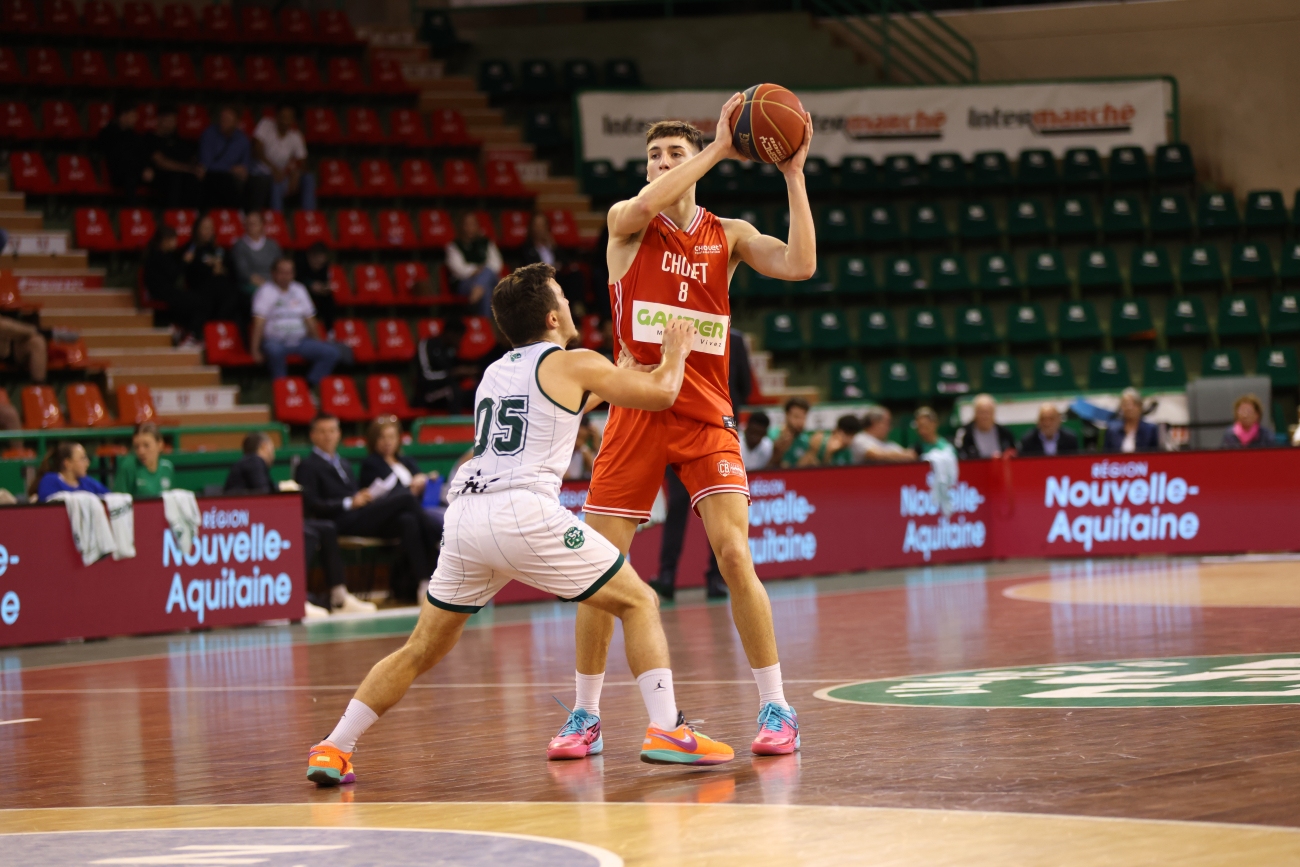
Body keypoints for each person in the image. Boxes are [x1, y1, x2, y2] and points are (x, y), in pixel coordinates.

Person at [305, 263, 735, 787]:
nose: (573, 306)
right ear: (553, 317)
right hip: (522, 512)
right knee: (638, 601)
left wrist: (624, 375)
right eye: (565, 300)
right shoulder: (574, 361)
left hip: (465, 517)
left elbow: (574, 398)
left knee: (421, 648)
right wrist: (676, 350)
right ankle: (668, 729)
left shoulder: (496, 372)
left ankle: (333, 747)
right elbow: (665, 393)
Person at [569, 96, 816, 760]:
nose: (661, 163)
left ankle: (776, 705)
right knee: (601, 568)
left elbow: (800, 265)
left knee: (735, 555)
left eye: (673, 154)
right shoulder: (628, 223)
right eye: (654, 155)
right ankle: (584, 716)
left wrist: (791, 173)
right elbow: (646, 205)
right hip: (639, 404)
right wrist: (717, 146)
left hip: (705, 409)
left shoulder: (727, 234)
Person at [295, 414, 439, 604]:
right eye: (322, 432)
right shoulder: (307, 466)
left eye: (331, 431)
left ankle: (424, 584)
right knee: (405, 497)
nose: (327, 436)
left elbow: (354, 493)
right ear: (312, 435)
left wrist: (362, 496)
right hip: (340, 521)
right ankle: (441, 534)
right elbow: (312, 504)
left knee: (408, 521)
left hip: (360, 514)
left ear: (338, 434)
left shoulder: (343, 463)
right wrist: (348, 502)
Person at [224, 432, 370, 617]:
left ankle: (339, 596)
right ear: (264, 447)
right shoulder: (255, 461)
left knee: (327, 528)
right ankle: (296, 597)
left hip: (255, 523)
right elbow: (262, 496)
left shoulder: (248, 464)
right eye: (271, 449)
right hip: (249, 528)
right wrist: (283, 491)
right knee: (306, 534)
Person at [357, 416, 444, 580]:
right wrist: (410, 488)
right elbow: (381, 496)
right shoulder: (371, 464)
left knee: (410, 520)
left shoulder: (407, 461)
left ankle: (427, 582)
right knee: (410, 519)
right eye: (382, 437)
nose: (387, 442)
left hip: (417, 511)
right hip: (387, 518)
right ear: (373, 440)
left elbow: (419, 483)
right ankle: (437, 538)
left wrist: (425, 481)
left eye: (391, 437)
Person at [250, 257, 340, 386]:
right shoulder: (265, 291)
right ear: (274, 273)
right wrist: (255, 350)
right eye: (282, 272)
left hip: (300, 341)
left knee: (331, 352)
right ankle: (281, 387)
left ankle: (309, 385)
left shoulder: (299, 289)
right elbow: (258, 323)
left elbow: (310, 320)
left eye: (289, 272)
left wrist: (318, 341)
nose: (286, 276)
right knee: (274, 351)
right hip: (275, 341)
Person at [142, 227, 203, 347]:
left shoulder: (167, 255)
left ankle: (185, 332)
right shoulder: (156, 256)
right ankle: (188, 336)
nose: (176, 243)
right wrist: (184, 262)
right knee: (196, 302)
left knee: (196, 299)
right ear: (165, 241)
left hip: (169, 292)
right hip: (161, 293)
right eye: (173, 240)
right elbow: (173, 275)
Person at [253, 103, 316, 214]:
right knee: (277, 180)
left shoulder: (295, 136)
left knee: (308, 178)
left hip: (281, 174)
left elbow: (303, 162)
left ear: (293, 120)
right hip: (261, 171)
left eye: (288, 118)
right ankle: (278, 219)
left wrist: (295, 172)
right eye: (282, 117)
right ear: (276, 116)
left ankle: (309, 217)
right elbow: (257, 151)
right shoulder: (266, 124)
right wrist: (274, 169)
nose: (284, 121)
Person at [182, 215, 241, 324]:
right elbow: (189, 273)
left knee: (235, 295)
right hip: (201, 288)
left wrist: (221, 269)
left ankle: (219, 327)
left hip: (222, 288)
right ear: (197, 230)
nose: (208, 231)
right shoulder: (190, 249)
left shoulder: (218, 249)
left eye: (210, 228)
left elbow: (231, 271)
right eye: (205, 228)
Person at [444, 212, 503, 317]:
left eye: (473, 224)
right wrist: (478, 270)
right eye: (467, 224)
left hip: (482, 284)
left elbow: (497, 264)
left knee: (487, 277)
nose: (470, 228)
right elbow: (459, 269)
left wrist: (482, 274)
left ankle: (478, 288)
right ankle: (487, 325)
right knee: (487, 287)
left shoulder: (486, 243)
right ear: (461, 227)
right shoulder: (453, 246)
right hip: (465, 283)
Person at [94, 101, 153, 202]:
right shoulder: (108, 133)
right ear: (123, 115)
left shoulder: (132, 134)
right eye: (133, 115)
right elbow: (119, 158)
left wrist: (146, 168)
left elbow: (142, 154)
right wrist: (140, 169)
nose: (136, 119)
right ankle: (132, 212)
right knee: (130, 176)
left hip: (137, 172)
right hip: (117, 173)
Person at [147, 104, 202, 208]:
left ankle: (192, 215)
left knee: (193, 179)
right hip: (159, 177)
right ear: (160, 119)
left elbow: (191, 157)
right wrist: (189, 169)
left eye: (174, 120)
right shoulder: (150, 138)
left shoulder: (177, 139)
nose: (172, 124)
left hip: (182, 176)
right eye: (169, 120)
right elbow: (161, 163)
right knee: (175, 178)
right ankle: (173, 214)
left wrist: (197, 167)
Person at [198, 105, 252, 209]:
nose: (223, 122)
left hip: (233, 179)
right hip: (212, 176)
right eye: (222, 119)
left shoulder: (243, 139)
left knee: (252, 182)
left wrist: (243, 171)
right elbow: (206, 164)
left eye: (227, 120)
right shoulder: (209, 134)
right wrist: (230, 169)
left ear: (236, 122)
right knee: (223, 180)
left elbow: (245, 165)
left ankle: (239, 215)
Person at [112, 422, 176, 498]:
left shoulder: (167, 467)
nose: (141, 452)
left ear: (160, 444)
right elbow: (118, 502)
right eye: (136, 447)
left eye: (146, 445)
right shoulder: (127, 467)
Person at [230, 210, 283, 298]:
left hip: (274, 281)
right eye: (249, 223)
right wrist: (266, 285)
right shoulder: (240, 246)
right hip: (252, 283)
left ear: (262, 225)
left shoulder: (272, 245)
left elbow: (280, 265)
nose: (252, 226)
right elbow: (243, 272)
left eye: (254, 223)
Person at [34, 442, 109, 502]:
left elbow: (110, 498)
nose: (87, 463)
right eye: (82, 458)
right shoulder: (50, 480)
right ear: (68, 463)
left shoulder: (87, 482)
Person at [953, 394, 1017, 459]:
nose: (985, 416)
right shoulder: (964, 433)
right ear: (975, 413)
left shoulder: (1005, 433)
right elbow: (959, 453)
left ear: (994, 413)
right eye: (981, 412)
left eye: (988, 412)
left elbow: (1013, 452)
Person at [1104, 387, 1160, 453]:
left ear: (1140, 406)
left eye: (1133, 404)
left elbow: (1156, 456)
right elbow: (1105, 455)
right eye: (1125, 404)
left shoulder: (1150, 430)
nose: (1129, 408)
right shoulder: (1112, 430)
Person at [294, 242, 335, 331]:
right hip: (299, 293)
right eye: (316, 262)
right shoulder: (299, 262)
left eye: (321, 263)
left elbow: (325, 280)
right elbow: (295, 281)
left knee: (328, 298)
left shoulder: (324, 266)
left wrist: (324, 287)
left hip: (316, 293)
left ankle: (330, 331)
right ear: (310, 256)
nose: (318, 266)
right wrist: (310, 284)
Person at [852, 407, 916, 463]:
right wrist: (900, 456)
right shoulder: (860, 438)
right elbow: (875, 455)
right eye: (887, 422)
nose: (890, 428)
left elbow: (911, 456)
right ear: (874, 422)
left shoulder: (889, 444)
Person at [0, 315, 47, 384]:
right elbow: (3, 326)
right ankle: (48, 332)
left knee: (37, 341)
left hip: (11, 349)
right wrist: (33, 330)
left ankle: (38, 388)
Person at [770, 396, 812, 468]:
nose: (800, 422)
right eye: (796, 417)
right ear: (786, 415)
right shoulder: (772, 436)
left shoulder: (806, 441)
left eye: (803, 417)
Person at [565, 415, 600, 481]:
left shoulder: (585, 449)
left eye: (582, 428)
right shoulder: (561, 447)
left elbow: (598, 473)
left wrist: (596, 444)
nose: (579, 431)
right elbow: (565, 478)